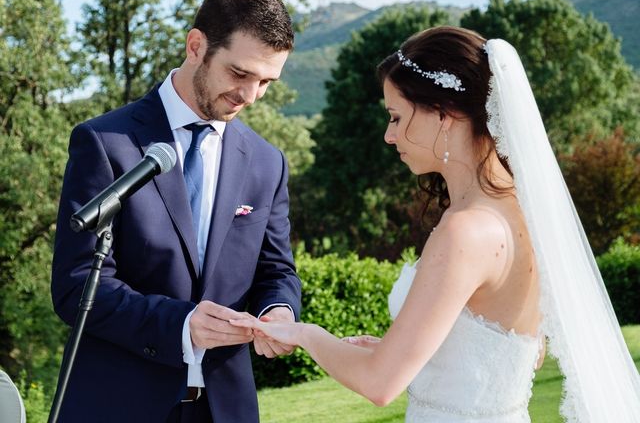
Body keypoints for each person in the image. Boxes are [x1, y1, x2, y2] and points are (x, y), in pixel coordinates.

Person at [231, 26, 640, 422]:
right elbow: (517, 353)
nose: (389, 136)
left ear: (442, 115)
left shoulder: (466, 230)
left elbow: (380, 383)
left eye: (395, 116)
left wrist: (305, 334)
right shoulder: (523, 209)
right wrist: (404, 353)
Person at [51, 0, 302, 423]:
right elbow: (76, 286)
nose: (250, 96)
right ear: (196, 46)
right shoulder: (105, 142)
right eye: (240, 73)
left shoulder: (268, 163)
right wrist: (182, 325)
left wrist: (277, 309)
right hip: (118, 405)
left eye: (266, 82)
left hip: (226, 408)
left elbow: (276, 270)